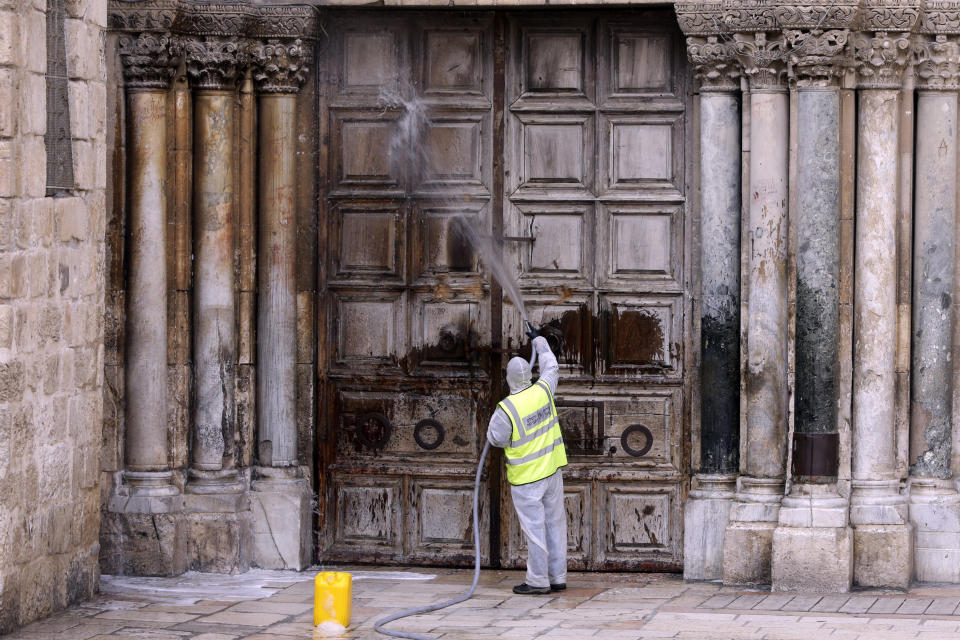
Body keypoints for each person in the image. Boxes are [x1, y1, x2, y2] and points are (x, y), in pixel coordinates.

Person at [487, 335, 568, 595]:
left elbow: (496, 439)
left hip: (526, 480)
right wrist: (541, 344)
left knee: (535, 531)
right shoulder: (543, 389)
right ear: (529, 376)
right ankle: (557, 577)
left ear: (509, 380)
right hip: (552, 472)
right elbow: (551, 367)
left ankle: (537, 581)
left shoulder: (506, 409)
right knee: (555, 524)